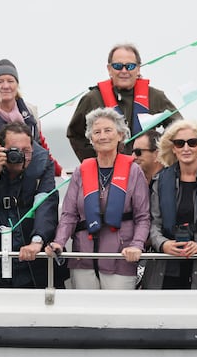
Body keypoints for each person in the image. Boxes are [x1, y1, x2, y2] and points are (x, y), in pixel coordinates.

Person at [47, 107, 151, 289]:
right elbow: (69, 215)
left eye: (108, 130)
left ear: (120, 135)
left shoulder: (134, 171)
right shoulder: (81, 172)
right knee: (85, 314)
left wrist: (137, 245)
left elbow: (143, 217)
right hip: (84, 257)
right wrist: (59, 242)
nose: (103, 136)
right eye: (97, 132)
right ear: (91, 139)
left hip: (120, 257)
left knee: (117, 314)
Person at [142, 121, 197, 290]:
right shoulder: (159, 182)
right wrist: (163, 244)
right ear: (173, 148)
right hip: (166, 266)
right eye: (179, 143)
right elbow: (154, 223)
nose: (186, 148)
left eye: (192, 142)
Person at [0, 122, 58, 288]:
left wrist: (38, 240)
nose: (20, 156)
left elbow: (46, 204)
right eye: (15, 150)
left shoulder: (42, 164)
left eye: (26, 151)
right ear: (1, 148)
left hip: (28, 239)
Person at [66, 43, 182, 161]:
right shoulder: (92, 98)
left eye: (130, 66)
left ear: (138, 69)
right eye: (118, 66)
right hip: (108, 169)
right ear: (109, 69)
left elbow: (178, 126)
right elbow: (75, 133)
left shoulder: (155, 96)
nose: (124, 71)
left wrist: (160, 152)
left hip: (146, 170)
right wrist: (95, 159)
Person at [0, 59, 63, 176]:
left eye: (10, 81)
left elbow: (39, 144)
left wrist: (58, 170)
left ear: (17, 84)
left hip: (30, 175)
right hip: (0, 175)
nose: (6, 86)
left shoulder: (30, 111)